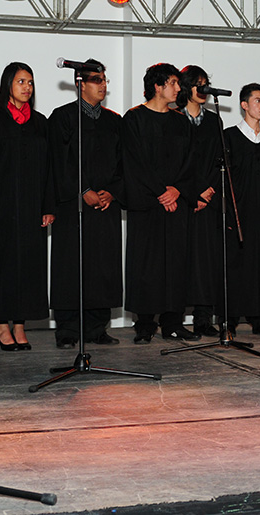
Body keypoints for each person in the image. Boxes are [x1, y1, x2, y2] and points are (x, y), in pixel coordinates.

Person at [49, 60, 124, 347]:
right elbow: (58, 161)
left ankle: (96, 327)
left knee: (103, 266)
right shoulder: (63, 117)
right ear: (80, 83)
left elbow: (124, 163)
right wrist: (82, 190)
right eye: (96, 80)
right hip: (73, 206)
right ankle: (68, 329)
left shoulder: (114, 121)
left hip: (105, 206)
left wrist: (112, 192)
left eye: (104, 79)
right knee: (71, 265)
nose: (103, 85)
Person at [0, 63, 54, 351]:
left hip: (32, 207)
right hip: (1, 208)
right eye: (21, 81)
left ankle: (21, 324)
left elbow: (50, 169)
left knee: (28, 268)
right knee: (3, 267)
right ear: (8, 84)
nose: (27, 87)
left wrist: (47, 206)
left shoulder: (40, 122)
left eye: (30, 82)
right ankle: (1, 325)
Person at [122, 63, 197, 344]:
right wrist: (160, 192)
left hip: (176, 204)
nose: (179, 88)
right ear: (157, 86)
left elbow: (190, 162)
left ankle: (173, 323)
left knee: (176, 264)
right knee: (147, 265)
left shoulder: (181, 122)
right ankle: (144, 324)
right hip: (148, 205)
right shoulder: (134, 119)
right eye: (173, 83)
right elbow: (134, 162)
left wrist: (177, 190)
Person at [223, 83, 260, 336]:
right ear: (244, 105)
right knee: (235, 264)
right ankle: (230, 319)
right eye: (257, 100)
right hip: (237, 211)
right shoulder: (229, 137)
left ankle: (259, 318)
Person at [177, 65, 222, 337]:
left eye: (206, 83)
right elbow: (175, 163)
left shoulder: (214, 121)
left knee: (206, 262)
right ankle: (173, 318)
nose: (203, 88)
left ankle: (203, 318)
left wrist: (208, 191)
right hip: (182, 200)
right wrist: (193, 192)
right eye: (198, 83)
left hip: (208, 201)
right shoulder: (173, 117)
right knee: (180, 261)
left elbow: (220, 161)